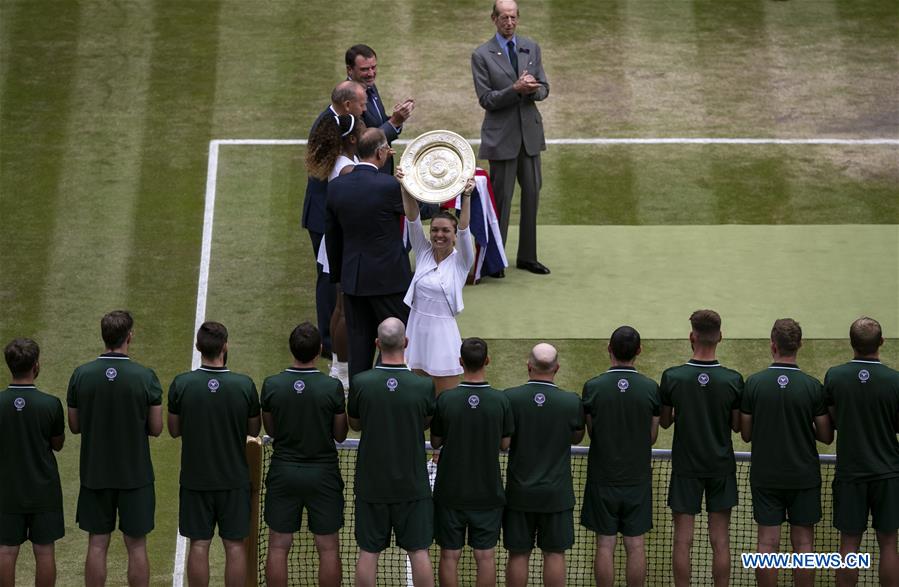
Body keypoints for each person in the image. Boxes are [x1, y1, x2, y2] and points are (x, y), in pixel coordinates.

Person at [66, 310, 163, 587]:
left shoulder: (81, 375)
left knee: (97, 543)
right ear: (129, 336)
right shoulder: (146, 377)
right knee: (136, 546)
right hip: (136, 476)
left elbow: (74, 425)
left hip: (95, 473)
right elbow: (156, 428)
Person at [740, 318, 833, 587]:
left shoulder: (754, 383)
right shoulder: (813, 386)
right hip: (803, 476)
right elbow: (826, 436)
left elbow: (746, 433)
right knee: (804, 545)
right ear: (799, 345)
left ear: (772, 346)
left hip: (766, 477)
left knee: (766, 545)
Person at [167, 322, 261, 587]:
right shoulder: (244, 385)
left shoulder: (182, 384)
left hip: (196, 481)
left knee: (199, 544)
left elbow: (174, 430)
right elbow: (254, 430)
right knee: (234, 546)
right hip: (234, 480)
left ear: (198, 347)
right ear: (225, 346)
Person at [347, 318, 435, 587]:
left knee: (368, 552)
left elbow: (355, 424)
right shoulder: (423, 386)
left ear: (377, 344)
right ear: (405, 343)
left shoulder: (361, 383)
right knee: (418, 551)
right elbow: (425, 422)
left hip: (372, 484)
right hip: (411, 484)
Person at [659, 309, 743, 587]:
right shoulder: (733, 380)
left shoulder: (672, 377)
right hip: (720, 468)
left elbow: (667, 421)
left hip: (686, 468)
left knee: (682, 540)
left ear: (691, 337)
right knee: (720, 540)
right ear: (720, 337)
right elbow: (736, 425)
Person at [260, 323, 347, 587]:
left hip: (284, 472)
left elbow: (270, 429)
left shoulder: (272, 385)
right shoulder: (331, 388)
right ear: (320, 349)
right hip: (323, 475)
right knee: (329, 548)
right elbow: (341, 434)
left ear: (291, 349)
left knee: (277, 546)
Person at [325, 128, 412, 380]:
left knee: (359, 347)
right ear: (380, 153)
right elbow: (421, 209)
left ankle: (359, 406)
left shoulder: (336, 187)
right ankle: (391, 393)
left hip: (353, 281)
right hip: (390, 282)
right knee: (398, 342)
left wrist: (342, 277)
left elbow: (333, 237)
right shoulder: (388, 186)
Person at [471, 0, 550, 277]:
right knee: (501, 201)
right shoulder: (481, 54)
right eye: (504, 17)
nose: (509, 22)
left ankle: (528, 257)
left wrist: (532, 90)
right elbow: (486, 99)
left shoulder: (531, 47)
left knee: (531, 197)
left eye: (513, 17)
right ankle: (496, 259)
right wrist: (515, 89)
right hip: (501, 138)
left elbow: (544, 89)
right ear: (494, 19)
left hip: (529, 136)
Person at [430, 338, 513, 587]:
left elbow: (435, 442)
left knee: (449, 555)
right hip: (487, 493)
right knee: (485, 556)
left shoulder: (445, 400)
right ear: (487, 361)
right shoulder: (501, 401)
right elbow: (505, 444)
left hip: (450, 492)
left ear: (460, 362)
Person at [581, 326, 660, 587]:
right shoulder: (650, 388)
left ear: (609, 349)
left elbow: (592, 431)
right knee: (635, 545)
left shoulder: (592, 387)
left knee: (605, 544)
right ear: (639, 351)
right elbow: (652, 435)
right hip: (636, 479)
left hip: (602, 478)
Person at [823, 316, 898, 586]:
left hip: (850, 475)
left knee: (848, 546)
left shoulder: (835, 377)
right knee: (889, 544)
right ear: (881, 342)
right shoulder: (895, 381)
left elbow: (831, 420)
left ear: (851, 343)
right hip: (888, 474)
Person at [503, 343, 585, 587]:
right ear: (557, 368)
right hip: (556, 494)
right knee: (555, 553)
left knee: (518, 553)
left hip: (519, 493)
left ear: (529, 367)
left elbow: (505, 441)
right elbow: (576, 437)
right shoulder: (571, 402)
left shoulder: (510, 398)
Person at [302, 80, 368, 364]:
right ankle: (329, 342)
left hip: (329, 217)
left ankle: (333, 338)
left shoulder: (336, 128)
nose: (366, 109)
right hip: (325, 219)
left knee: (333, 282)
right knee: (330, 283)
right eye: (362, 104)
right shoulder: (329, 127)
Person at [396, 167, 476, 393]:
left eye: (445, 231)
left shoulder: (461, 261)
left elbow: (464, 228)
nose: (439, 235)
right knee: (415, 398)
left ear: (453, 235)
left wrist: (466, 196)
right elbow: (412, 218)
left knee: (444, 400)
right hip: (415, 330)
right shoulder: (422, 251)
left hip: (443, 334)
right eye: (435, 230)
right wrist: (406, 186)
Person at [0, 339, 64, 587]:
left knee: (6, 551)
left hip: (7, 490)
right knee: (45, 551)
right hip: (43, 491)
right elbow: (57, 444)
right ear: (36, 365)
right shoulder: (50, 404)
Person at [345, 44, 414, 174]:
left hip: (381, 169)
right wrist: (394, 122)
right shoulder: (349, 100)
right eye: (365, 69)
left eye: (373, 67)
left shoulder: (370, 87)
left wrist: (399, 117)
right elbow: (363, 142)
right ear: (350, 70)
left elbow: (377, 124)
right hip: (367, 175)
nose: (371, 74)